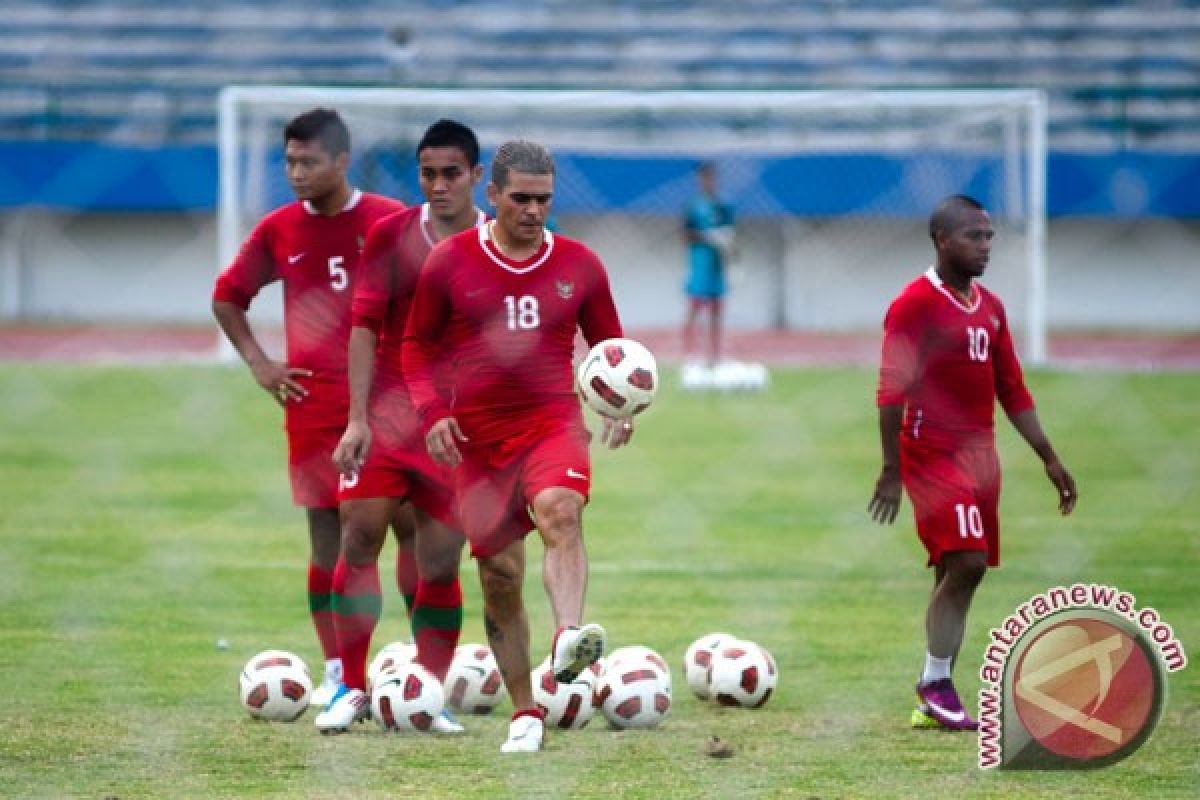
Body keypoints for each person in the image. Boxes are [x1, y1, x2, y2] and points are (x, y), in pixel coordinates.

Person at [402, 139, 632, 753]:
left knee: (562, 509)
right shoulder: (449, 263)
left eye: (545, 200)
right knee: (500, 576)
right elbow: (416, 348)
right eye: (522, 199)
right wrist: (431, 414)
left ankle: (569, 635)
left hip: (553, 422)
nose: (534, 211)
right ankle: (525, 713)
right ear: (493, 196)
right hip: (476, 441)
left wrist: (621, 404)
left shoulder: (580, 264)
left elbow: (611, 349)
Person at [212, 108, 414, 708]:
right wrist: (259, 363)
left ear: (342, 161)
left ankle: (428, 664)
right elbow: (228, 297)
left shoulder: (388, 221)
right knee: (330, 537)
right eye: (289, 162)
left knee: (413, 533)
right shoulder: (278, 229)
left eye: (309, 162)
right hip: (313, 406)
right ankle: (336, 669)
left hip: (391, 404)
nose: (296, 173)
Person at [867, 194, 1077, 731]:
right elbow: (891, 390)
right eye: (973, 236)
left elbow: (1012, 387)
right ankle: (934, 682)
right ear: (942, 240)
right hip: (933, 452)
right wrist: (891, 469)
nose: (985, 246)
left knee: (954, 570)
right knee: (968, 562)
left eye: (988, 237)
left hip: (982, 456)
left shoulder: (991, 307)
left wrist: (1048, 457)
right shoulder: (915, 304)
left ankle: (934, 695)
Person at [314, 119, 487, 733]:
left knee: (439, 564)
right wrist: (356, 419)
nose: (438, 185)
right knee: (358, 537)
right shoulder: (389, 237)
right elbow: (363, 326)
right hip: (387, 417)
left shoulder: (498, 244)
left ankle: (430, 694)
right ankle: (351, 689)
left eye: (451, 174)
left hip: (456, 430)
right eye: (428, 174)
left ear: (476, 176)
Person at [682, 160, 735, 366]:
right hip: (700, 262)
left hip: (718, 264)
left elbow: (731, 234)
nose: (708, 181)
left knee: (717, 309)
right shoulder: (693, 206)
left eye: (711, 177)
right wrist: (709, 237)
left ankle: (715, 356)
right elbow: (686, 235)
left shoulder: (724, 205)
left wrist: (729, 249)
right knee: (695, 306)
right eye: (704, 177)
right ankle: (689, 354)